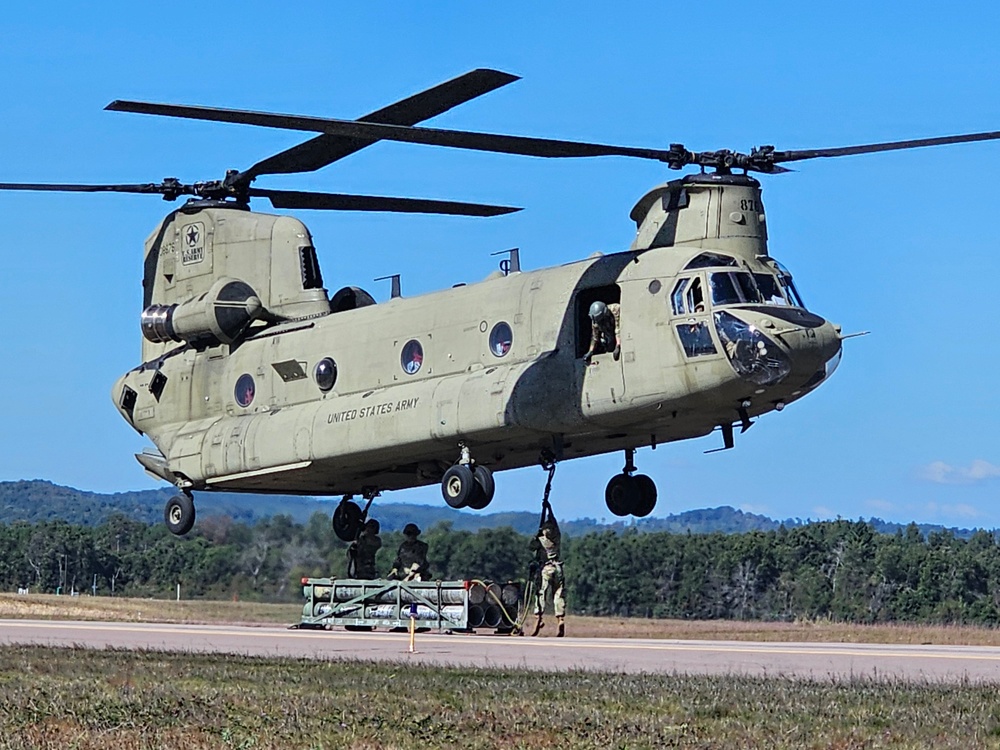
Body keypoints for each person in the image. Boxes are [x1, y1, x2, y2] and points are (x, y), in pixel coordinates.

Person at [529, 498, 565, 637]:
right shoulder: (557, 536)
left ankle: (538, 617)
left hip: (546, 568)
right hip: (558, 567)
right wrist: (549, 508)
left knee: (541, 593)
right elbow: (553, 520)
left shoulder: (541, 540)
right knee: (559, 594)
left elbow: (530, 547)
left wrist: (536, 537)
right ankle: (560, 619)